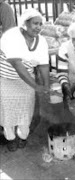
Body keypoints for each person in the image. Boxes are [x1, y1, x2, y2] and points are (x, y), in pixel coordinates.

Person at [0, 8, 50, 151]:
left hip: (26, 81)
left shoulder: (42, 42)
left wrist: (46, 85)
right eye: (35, 23)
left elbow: (44, 64)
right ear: (25, 24)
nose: (38, 27)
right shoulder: (11, 36)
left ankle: (22, 136)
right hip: (6, 80)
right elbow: (17, 64)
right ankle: (10, 138)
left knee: (25, 112)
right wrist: (36, 86)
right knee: (7, 112)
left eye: (41, 24)